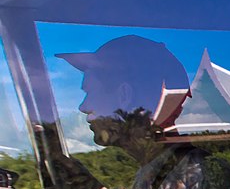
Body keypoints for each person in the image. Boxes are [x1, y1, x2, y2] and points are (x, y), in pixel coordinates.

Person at [58, 35, 189, 144]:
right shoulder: (165, 163)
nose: (82, 107)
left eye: (89, 92)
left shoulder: (180, 166)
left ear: (124, 95)